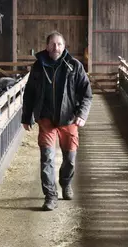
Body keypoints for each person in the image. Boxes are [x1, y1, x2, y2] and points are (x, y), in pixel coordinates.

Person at [21, 31, 92, 211]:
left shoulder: (74, 66)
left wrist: (82, 114)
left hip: (69, 119)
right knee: (47, 158)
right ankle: (50, 196)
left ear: (64, 46)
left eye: (59, 44)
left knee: (70, 159)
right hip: (46, 119)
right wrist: (26, 116)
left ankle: (66, 183)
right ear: (46, 46)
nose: (56, 47)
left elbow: (86, 93)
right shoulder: (38, 67)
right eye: (52, 44)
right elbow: (29, 93)